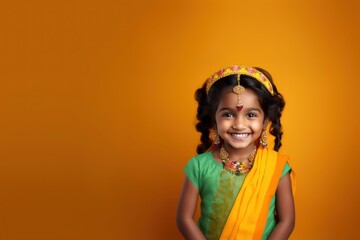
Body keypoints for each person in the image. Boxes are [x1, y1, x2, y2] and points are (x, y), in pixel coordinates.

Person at [176, 65, 296, 240]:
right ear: (213, 119)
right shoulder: (199, 165)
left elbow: (287, 221)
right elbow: (184, 219)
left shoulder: (277, 167)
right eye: (228, 114)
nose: (239, 125)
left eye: (251, 115)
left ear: (265, 121)